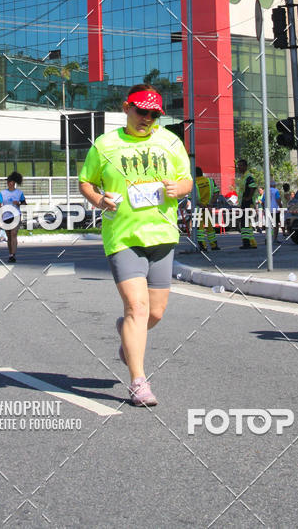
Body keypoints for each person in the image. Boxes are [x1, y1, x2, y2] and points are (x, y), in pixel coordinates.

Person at [79, 83, 192, 407]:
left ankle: (128, 336)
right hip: (123, 237)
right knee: (137, 308)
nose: (147, 119)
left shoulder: (170, 141)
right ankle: (138, 382)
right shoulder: (105, 145)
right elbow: (86, 181)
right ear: (126, 108)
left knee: (155, 312)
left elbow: (186, 179)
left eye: (153, 114)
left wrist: (178, 188)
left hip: (163, 236)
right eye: (141, 111)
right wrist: (99, 199)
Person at [0, 171, 26, 263]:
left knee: (14, 234)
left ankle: (13, 255)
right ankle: (10, 254)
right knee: (9, 236)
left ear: (14, 183)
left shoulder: (19, 193)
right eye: (8, 181)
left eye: (11, 181)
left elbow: (24, 203)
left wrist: (18, 203)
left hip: (16, 215)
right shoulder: (3, 193)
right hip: (6, 216)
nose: (10, 183)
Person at [195, 166, 220, 251]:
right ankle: (214, 245)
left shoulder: (193, 184)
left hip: (198, 209)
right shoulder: (210, 181)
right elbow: (217, 192)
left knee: (200, 229)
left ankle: (203, 246)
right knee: (210, 227)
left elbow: (192, 198)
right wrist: (210, 203)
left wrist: (201, 204)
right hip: (208, 208)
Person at [237, 159, 258, 248]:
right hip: (244, 202)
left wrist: (249, 197)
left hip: (247, 202)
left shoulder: (248, 177)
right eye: (238, 165)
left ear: (245, 166)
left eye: (241, 165)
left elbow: (253, 187)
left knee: (244, 223)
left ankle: (247, 243)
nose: (239, 167)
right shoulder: (243, 177)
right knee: (246, 223)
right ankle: (251, 243)